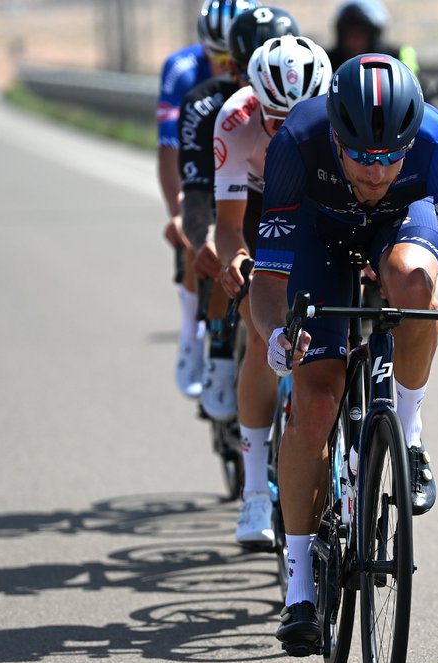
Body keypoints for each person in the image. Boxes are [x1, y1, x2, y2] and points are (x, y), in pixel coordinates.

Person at [247, 54, 438, 654]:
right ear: (334, 138)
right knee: (316, 397)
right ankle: (300, 588)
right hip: (320, 237)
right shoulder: (296, 143)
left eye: (391, 154)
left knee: (416, 288)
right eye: (361, 156)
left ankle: (410, 438)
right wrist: (276, 335)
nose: (377, 170)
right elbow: (267, 285)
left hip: (400, 228)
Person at [194, 33, 331, 547]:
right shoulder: (234, 120)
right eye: (275, 119)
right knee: (262, 330)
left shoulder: (335, 117)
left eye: (298, 115)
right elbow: (229, 224)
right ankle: (254, 492)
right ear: (254, 99)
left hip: (315, 204)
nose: (287, 128)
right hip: (256, 207)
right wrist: (237, 259)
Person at [158, 0, 260, 399]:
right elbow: (170, 152)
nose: (223, 65)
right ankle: (192, 334)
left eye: (230, 57)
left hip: (247, 176)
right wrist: (180, 215)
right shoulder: (183, 72)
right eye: (214, 56)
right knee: (193, 234)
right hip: (202, 170)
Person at [326, 0, 417, 75]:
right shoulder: (326, 63)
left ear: (374, 36)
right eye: (347, 33)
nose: (353, 40)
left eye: (360, 33)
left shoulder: (399, 60)